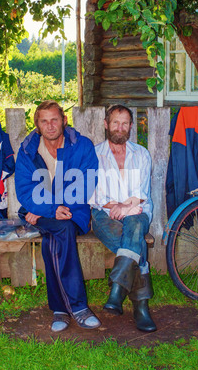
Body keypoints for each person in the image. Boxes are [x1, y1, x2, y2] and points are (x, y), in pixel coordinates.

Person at [15, 100, 101, 332]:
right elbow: (25, 189)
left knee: (55, 236)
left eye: (54, 119)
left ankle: (61, 309)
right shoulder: (28, 151)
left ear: (63, 120)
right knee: (58, 232)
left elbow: (86, 182)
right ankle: (77, 307)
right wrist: (51, 209)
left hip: (74, 211)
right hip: (43, 212)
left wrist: (53, 207)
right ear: (37, 125)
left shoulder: (82, 146)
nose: (50, 125)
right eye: (44, 121)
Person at [90, 104, 156, 332]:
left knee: (135, 225)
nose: (120, 127)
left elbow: (141, 194)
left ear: (131, 126)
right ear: (106, 125)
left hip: (136, 212)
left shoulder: (141, 154)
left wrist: (126, 209)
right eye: (115, 122)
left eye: (125, 123)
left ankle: (118, 290)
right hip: (103, 214)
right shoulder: (94, 154)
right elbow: (95, 196)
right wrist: (116, 207)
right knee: (136, 241)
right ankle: (140, 308)